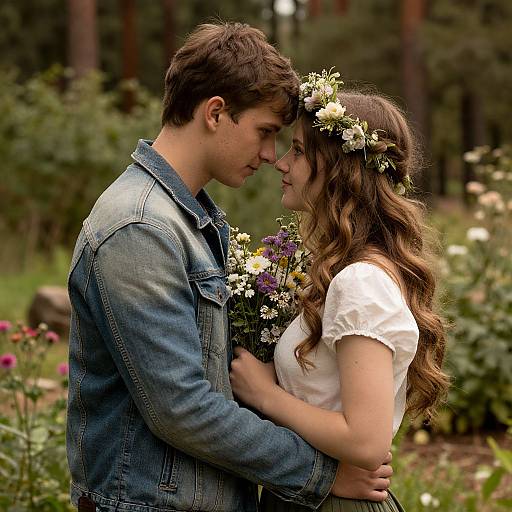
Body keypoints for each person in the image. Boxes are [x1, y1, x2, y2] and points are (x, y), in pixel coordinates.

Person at [66, 26, 393, 512]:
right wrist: (321, 474)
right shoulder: (139, 228)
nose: (270, 155)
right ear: (215, 112)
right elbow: (181, 409)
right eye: (265, 133)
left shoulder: (191, 220)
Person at [229, 70, 450, 511]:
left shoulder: (360, 281)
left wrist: (264, 394)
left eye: (297, 150)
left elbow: (366, 442)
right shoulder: (345, 272)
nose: (280, 162)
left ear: (337, 168)